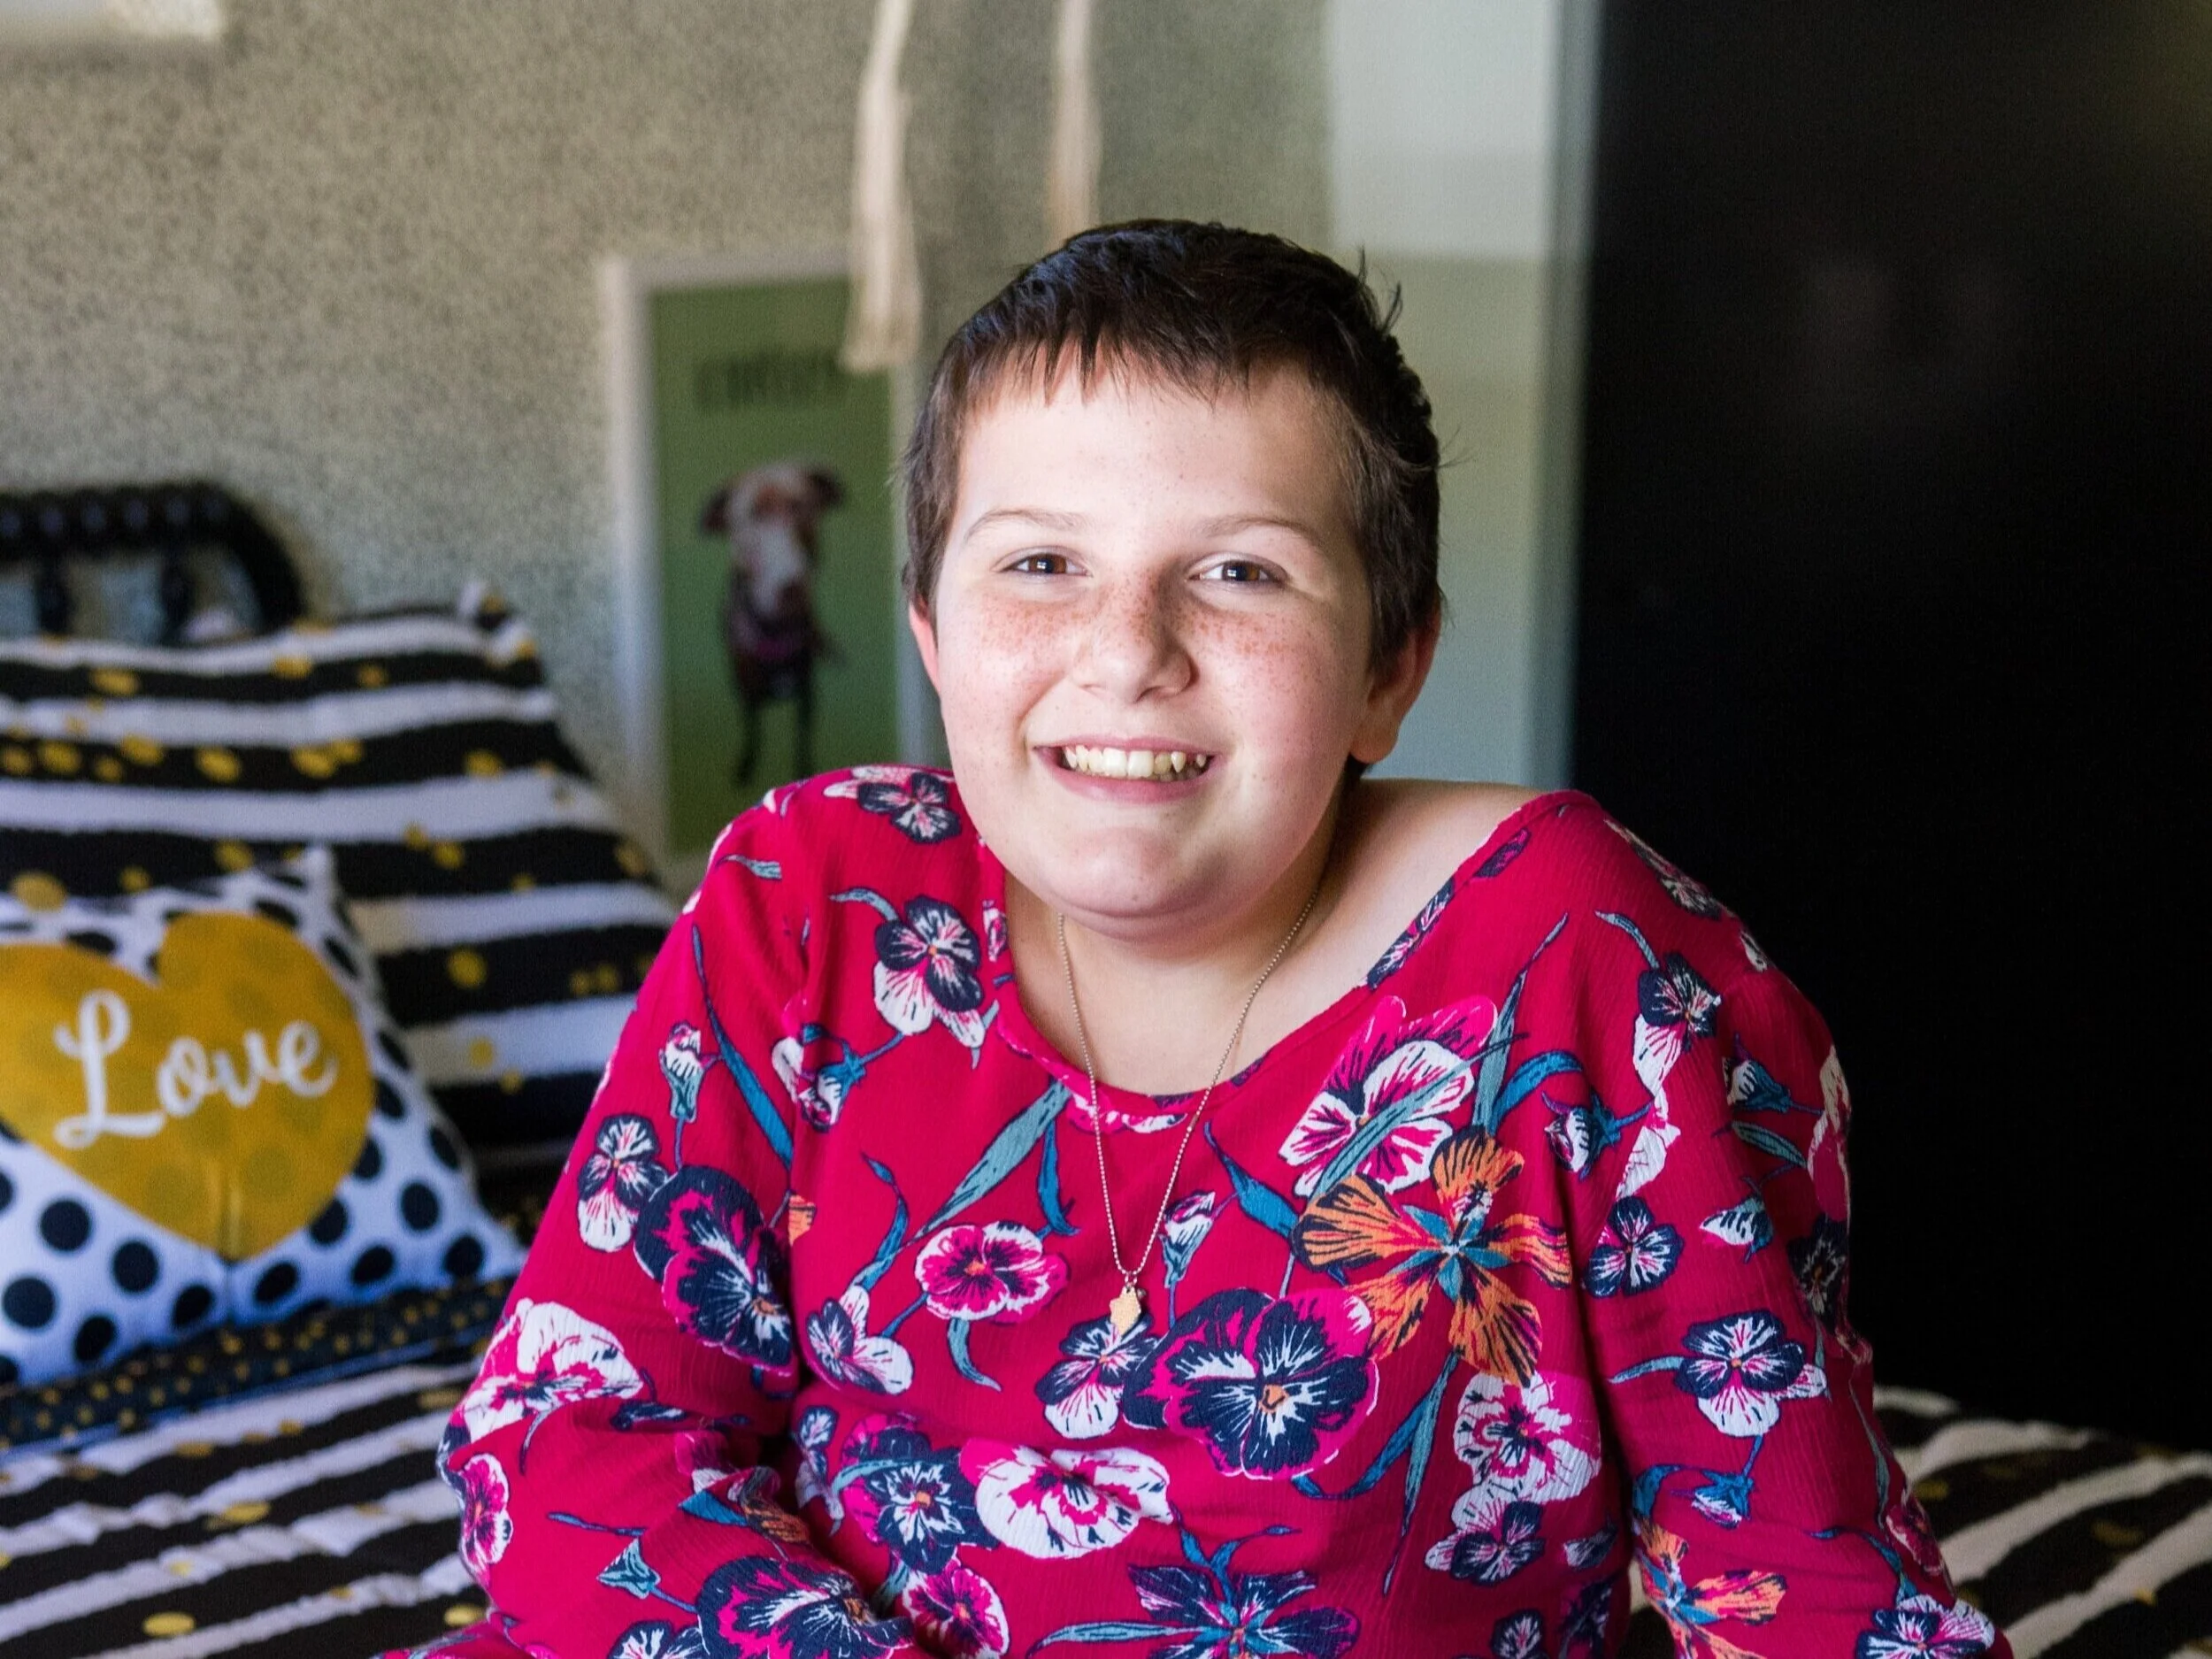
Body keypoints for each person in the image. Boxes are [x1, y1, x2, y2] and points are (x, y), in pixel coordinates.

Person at [400, 223, 2006, 1659]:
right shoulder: (813, 896)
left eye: (1239, 572)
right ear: (933, 635)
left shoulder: (1583, 967)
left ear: (1391, 666)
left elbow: (1808, 1590)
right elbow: (571, 1427)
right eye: (1041, 563)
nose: (1127, 654)